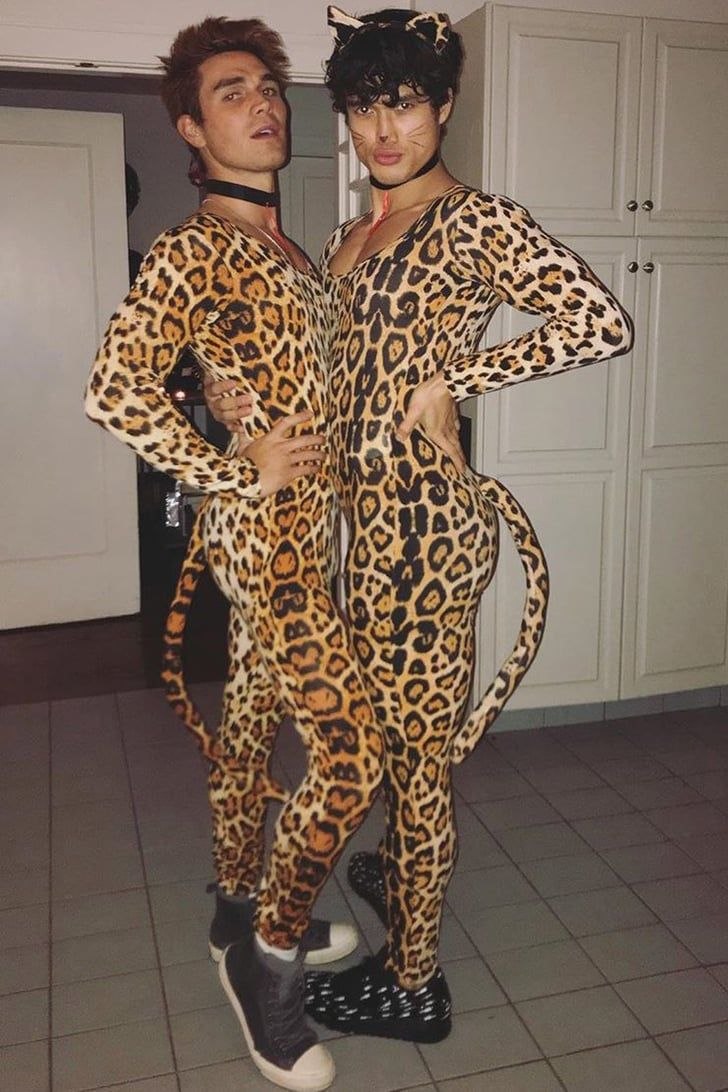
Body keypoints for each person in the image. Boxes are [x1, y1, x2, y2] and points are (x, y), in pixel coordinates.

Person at [203, 4, 633, 1046]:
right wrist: (233, 395)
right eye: (362, 108)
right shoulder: (348, 236)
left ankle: (413, 983)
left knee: (418, 762)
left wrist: (460, 378)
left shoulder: (475, 220)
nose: (382, 130)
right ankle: (398, 873)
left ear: (442, 105)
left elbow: (599, 320)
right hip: (353, 537)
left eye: (403, 104)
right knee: (390, 746)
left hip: (427, 535)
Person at [85, 17, 384, 1091]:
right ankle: (267, 965)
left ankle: (231, 909)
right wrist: (228, 467)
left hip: (309, 529)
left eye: (266, 84)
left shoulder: (290, 248)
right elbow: (113, 391)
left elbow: (284, 374)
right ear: (189, 128)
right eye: (229, 91)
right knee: (349, 758)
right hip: (269, 542)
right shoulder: (193, 246)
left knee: (251, 725)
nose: (261, 103)